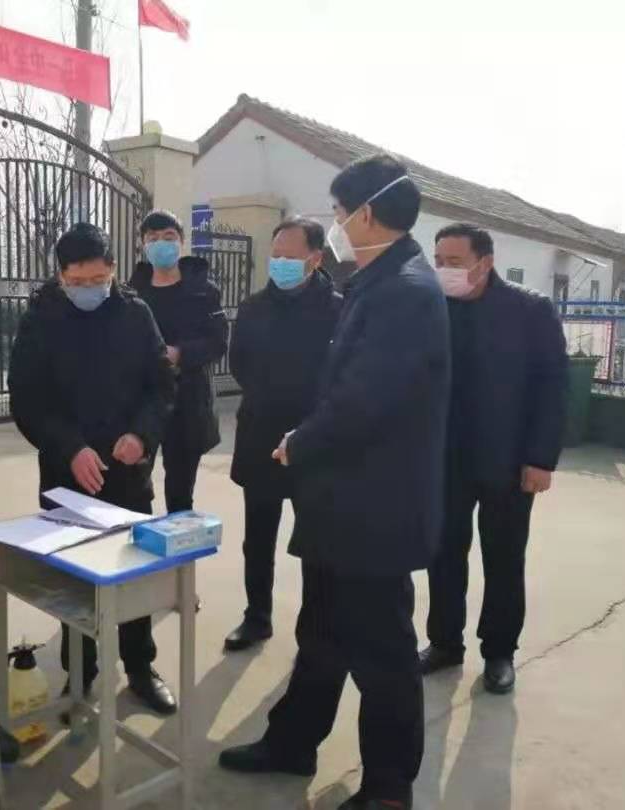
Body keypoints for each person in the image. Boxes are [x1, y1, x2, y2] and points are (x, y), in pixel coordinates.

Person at [219, 155, 451, 810]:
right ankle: (293, 742)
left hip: (373, 512)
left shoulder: (405, 291)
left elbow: (362, 401)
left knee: (383, 655)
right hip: (341, 505)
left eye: (340, 212)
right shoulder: (378, 281)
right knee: (321, 633)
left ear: (367, 214)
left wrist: (300, 441)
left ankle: (388, 790)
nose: (338, 223)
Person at [8, 222, 179, 716]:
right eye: (78, 282)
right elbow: (27, 399)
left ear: (114, 271)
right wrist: (70, 448)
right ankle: (80, 673)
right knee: (74, 581)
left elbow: (161, 387)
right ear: (61, 275)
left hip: (127, 471)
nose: (89, 290)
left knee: (133, 572)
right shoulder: (41, 319)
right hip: (68, 475)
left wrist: (141, 436)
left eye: (99, 280)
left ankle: (140, 666)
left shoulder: (135, 314)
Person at [420, 223, 567, 694]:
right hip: (446, 459)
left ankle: (499, 652)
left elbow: (552, 387)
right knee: (444, 553)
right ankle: (444, 642)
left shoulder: (529, 310)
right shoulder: (433, 307)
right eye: (438, 261)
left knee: (503, 558)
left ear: (485, 262)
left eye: (454, 262)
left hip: (509, 460)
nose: (444, 270)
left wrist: (541, 458)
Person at [223, 215, 341, 652]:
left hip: (315, 439)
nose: (280, 264)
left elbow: (342, 377)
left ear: (315, 259)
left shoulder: (338, 310)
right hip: (261, 436)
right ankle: (257, 617)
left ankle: (316, 630)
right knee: (258, 538)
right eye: (275, 256)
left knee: (316, 543)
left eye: (290, 256)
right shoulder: (254, 307)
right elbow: (240, 364)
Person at [130, 210, 228, 513]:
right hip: (141, 402)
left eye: (169, 237)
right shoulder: (132, 293)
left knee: (180, 492)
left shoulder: (203, 291)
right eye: (153, 238)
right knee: (133, 487)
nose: (161, 243)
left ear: (181, 241)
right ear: (143, 245)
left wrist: (180, 353)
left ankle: (180, 542)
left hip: (188, 401)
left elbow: (217, 342)